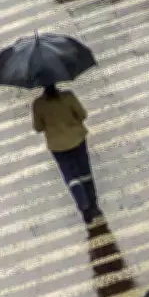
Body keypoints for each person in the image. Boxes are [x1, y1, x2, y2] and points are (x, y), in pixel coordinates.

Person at [32, 84, 100, 224]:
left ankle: (84, 205)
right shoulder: (68, 96)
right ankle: (93, 204)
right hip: (77, 139)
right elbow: (82, 115)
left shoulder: (38, 104)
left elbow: (38, 127)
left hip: (57, 146)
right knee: (84, 171)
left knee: (71, 176)